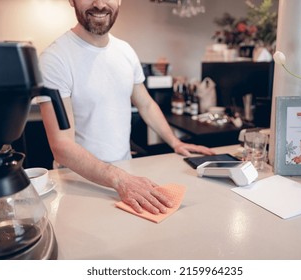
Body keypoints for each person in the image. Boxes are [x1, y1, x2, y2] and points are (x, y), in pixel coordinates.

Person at [38, 0, 215, 215]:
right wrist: (119, 179)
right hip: (78, 183)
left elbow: (146, 104)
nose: (100, 4)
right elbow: (62, 146)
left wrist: (175, 142)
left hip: (127, 176)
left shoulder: (125, 50)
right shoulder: (54, 59)